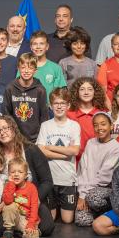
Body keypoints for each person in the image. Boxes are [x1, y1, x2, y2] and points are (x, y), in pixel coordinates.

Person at [0, 115, 56, 236]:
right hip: (6, 202)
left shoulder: (31, 150)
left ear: (14, 128)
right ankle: (23, 228)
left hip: (30, 199)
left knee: (47, 227)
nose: (2, 132)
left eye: (6, 128)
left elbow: (47, 181)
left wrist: (35, 199)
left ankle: (18, 228)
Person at [35, 88, 81, 224]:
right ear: (51, 106)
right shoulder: (45, 126)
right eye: (56, 103)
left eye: (62, 103)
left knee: (67, 220)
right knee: (50, 219)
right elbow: (40, 150)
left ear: (68, 106)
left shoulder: (74, 126)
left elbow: (75, 151)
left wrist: (50, 147)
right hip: (49, 180)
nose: (59, 106)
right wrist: (64, 153)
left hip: (67, 179)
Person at [73, 113, 119, 227]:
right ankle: (98, 214)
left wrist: (84, 195)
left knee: (94, 198)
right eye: (96, 125)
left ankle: (109, 212)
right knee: (82, 220)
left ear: (111, 126)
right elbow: (82, 170)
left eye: (103, 124)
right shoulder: (90, 143)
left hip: (104, 191)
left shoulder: (116, 148)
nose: (99, 128)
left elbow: (103, 178)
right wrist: (81, 193)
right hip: (86, 190)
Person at [4, 53, 49, 141]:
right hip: (15, 137)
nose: (26, 71)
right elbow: (6, 114)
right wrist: (11, 134)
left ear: (35, 70)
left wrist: (42, 137)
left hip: (36, 138)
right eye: (23, 67)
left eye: (30, 68)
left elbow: (44, 116)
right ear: (18, 68)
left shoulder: (40, 90)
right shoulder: (10, 88)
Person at [0, 157, 41, 238]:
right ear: (9, 174)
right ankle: (9, 231)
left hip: (26, 219)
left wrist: (31, 224)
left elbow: (34, 207)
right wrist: (11, 184)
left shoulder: (31, 188)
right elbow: (7, 201)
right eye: (13, 172)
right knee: (9, 205)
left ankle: (24, 232)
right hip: (14, 218)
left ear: (26, 175)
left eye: (20, 172)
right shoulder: (8, 185)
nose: (16, 174)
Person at [67, 77, 107, 161]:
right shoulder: (69, 114)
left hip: (96, 159)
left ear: (95, 92)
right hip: (74, 161)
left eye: (90, 89)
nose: (86, 93)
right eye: (82, 89)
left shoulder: (102, 114)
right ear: (76, 93)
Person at [29, 31, 67, 99]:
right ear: (31, 47)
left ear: (47, 47)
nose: (38, 47)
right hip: (29, 108)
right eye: (35, 44)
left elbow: (60, 93)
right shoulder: (24, 68)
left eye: (41, 44)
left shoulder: (56, 68)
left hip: (49, 108)